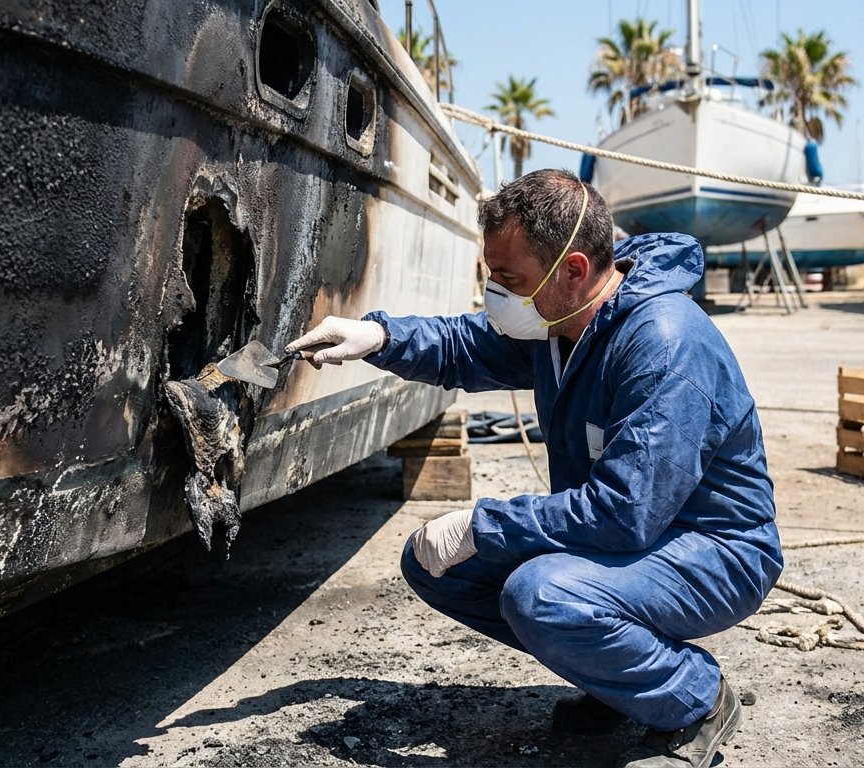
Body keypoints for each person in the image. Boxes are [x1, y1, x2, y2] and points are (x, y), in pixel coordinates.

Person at [285, 169, 782, 768]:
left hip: (714, 549)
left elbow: (623, 514)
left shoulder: (665, 346)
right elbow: (466, 347)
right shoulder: (558, 322)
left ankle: (694, 698)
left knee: (541, 595)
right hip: (632, 534)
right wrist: (378, 336)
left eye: (509, 279)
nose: (496, 292)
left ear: (573, 270)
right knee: (436, 566)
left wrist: (484, 525)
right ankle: (618, 682)